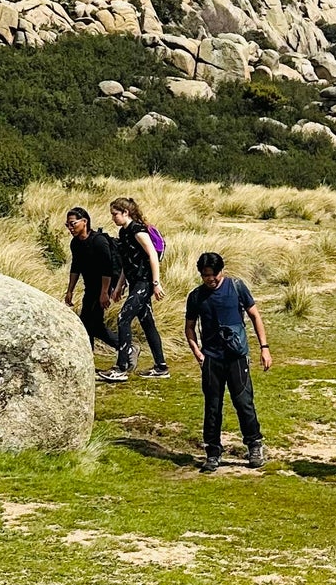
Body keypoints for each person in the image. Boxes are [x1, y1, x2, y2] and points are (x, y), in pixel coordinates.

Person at [184, 251, 270, 473]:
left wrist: (264, 348)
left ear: (221, 271)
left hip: (237, 357)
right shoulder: (196, 297)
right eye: (205, 276)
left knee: (243, 403)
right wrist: (197, 353)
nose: (210, 279)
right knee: (212, 407)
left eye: (213, 275)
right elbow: (190, 327)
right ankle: (212, 452)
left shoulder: (237, 287)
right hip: (211, 360)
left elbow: (255, 316)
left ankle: (254, 445)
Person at [102, 196, 168, 383]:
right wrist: (120, 285)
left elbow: (153, 256)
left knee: (123, 318)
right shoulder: (124, 233)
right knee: (147, 323)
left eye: (115, 214)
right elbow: (128, 263)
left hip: (144, 283)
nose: (113, 218)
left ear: (126, 213)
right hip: (134, 282)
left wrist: (156, 283)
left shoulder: (138, 231)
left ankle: (121, 367)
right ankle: (161, 366)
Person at [65, 206, 121, 368]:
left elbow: (107, 268)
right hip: (90, 287)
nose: (70, 228)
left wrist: (104, 293)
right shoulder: (75, 243)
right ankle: (91, 357)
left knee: (89, 324)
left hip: (104, 285)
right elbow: (75, 267)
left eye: (73, 224)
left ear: (84, 222)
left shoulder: (99, 241)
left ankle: (124, 347)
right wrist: (70, 291)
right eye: (67, 225)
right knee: (89, 324)